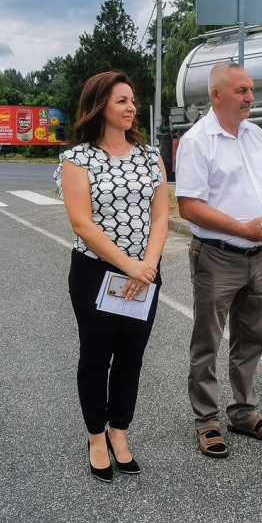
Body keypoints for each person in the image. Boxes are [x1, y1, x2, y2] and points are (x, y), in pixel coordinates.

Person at [54, 72, 168, 482]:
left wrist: (147, 265)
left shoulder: (150, 156)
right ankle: (96, 436)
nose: (131, 107)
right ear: (99, 105)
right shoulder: (77, 160)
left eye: (132, 100)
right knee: (96, 356)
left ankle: (120, 431)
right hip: (96, 273)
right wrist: (128, 265)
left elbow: (160, 216)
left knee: (131, 358)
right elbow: (82, 223)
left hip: (145, 274)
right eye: (122, 100)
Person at [176, 61, 262, 457]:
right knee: (207, 341)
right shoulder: (197, 141)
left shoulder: (256, 135)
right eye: (241, 90)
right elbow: (189, 206)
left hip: (261, 253)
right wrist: (245, 229)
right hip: (218, 256)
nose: (250, 97)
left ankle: (243, 411)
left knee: (251, 337)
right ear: (216, 95)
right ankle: (206, 420)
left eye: (251, 89)